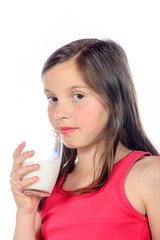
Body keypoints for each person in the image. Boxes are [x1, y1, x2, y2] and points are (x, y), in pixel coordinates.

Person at [10, 38, 160, 240]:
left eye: (78, 96)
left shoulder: (149, 175)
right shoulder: (49, 187)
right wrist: (25, 213)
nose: (60, 113)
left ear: (114, 98)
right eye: (53, 99)